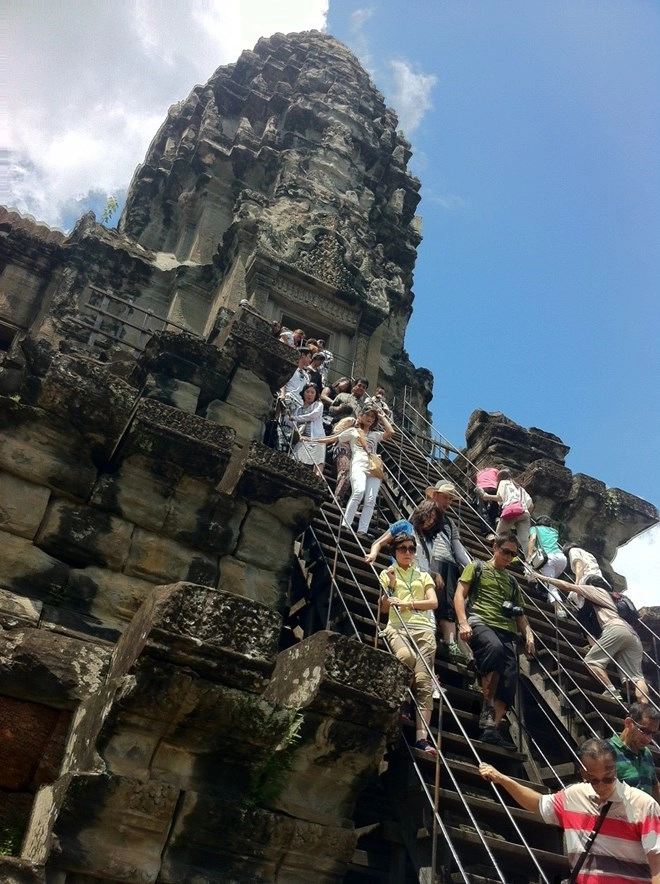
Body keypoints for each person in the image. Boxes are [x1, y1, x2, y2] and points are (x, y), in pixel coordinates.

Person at [479, 738, 660, 883]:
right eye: (594, 780)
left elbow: (657, 863)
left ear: (616, 770)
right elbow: (537, 804)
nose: (602, 786)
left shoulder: (643, 805)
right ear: (583, 773)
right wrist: (503, 779)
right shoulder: (574, 796)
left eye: (608, 779)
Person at [454, 533, 535, 748]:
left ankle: (492, 727)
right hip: (481, 622)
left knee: (510, 679)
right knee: (495, 650)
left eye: (513, 555)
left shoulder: (512, 581)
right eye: (505, 551)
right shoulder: (477, 567)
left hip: (506, 630)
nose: (508, 557)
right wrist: (463, 622)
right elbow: (460, 594)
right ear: (494, 547)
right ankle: (487, 706)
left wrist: (528, 633)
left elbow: (520, 614)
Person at [533, 570, 649, 703]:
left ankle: (611, 691)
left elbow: (568, 586)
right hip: (633, 635)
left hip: (614, 628)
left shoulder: (595, 590)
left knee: (592, 661)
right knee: (636, 677)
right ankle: (644, 707)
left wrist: (543, 578)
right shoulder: (616, 596)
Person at [379, 533, 439, 756]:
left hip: (423, 630)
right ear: (394, 551)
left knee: (424, 681)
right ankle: (403, 699)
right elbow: (384, 608)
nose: (407, 552)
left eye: (411, 549)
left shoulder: (424, 576)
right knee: (406, 658)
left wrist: (406, 603)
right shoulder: (387, 574)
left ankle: (422, 738)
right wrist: (392, 586)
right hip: (397, 626)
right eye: (402, 548)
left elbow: (433, 602)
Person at [317, 406, 395, 538]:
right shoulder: (353, 431)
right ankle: (346, 524)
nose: (370, 418)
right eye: (367, 415)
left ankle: (362, 530)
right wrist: (310, 440)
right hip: (358, 463)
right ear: (361, 415)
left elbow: (391, 432)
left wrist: (382, 417)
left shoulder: (375, 435)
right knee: (358, 491)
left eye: (373, 417)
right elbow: (333, 439)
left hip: (373, 466)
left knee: (370, 500)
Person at [426, 481, 472, 662]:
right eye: (445, 497)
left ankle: (449, 641)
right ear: (435, 495)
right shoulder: (425, 514)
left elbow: (457, 547)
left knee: (449, 603)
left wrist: (471, 567)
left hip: (449, 563)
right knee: (432, 597)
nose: (447, 503)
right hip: (431, 559)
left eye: (451, 500)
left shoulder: (450, 523)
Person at [608, 703, 660, 801]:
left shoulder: (647, 753)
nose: (648, 739)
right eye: (644, 731)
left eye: (653, 734)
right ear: (628, 723)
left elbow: (654, 786)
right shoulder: (607, 751)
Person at [527, 516, 568, 618]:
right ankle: (546, 593)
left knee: (551, 584)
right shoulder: (554, 531)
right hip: (562, 559)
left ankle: (559, 609)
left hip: (548, 558)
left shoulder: (534, 529)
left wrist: (529, 554)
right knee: (550, 580)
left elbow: (532, 539)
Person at [483, 469, 533, 551]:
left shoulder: (504, 483)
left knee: (499, 535)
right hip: (525, 513)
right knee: (524, 540)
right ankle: (529, 559)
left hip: (511, 511)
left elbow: (500, 498)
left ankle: (497, 555)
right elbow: (531, 505)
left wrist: (486, 496)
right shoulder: (520, 488)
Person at [290, 383, 325, 476]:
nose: (309, 394)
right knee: (298, 459)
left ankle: (318, 482)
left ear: (316, 394)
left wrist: (294, 418)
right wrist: (288, 415)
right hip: (303, 438)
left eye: (312, 392)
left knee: (318, 462)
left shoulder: (318, 405)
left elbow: (312, 416)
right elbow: (292, 424)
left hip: (317, 438)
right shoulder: (298, 410)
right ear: (303, 393)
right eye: (307, 392)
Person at [279, 347, 312, 411]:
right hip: (290, 398)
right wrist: (282, 394)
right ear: (303, 355)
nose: (310, 359)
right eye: (309, 356)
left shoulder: (307, 375)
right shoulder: (290, 368)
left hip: (300, 404)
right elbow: (282, 382)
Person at [474, 465, 500, 532]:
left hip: (482, 489)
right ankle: (497, 518)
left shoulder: (479, 473)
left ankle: (488, 531)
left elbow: (477, 484)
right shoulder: (495, 470)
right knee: (496, 505)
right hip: (494, 487)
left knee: (483, 509)